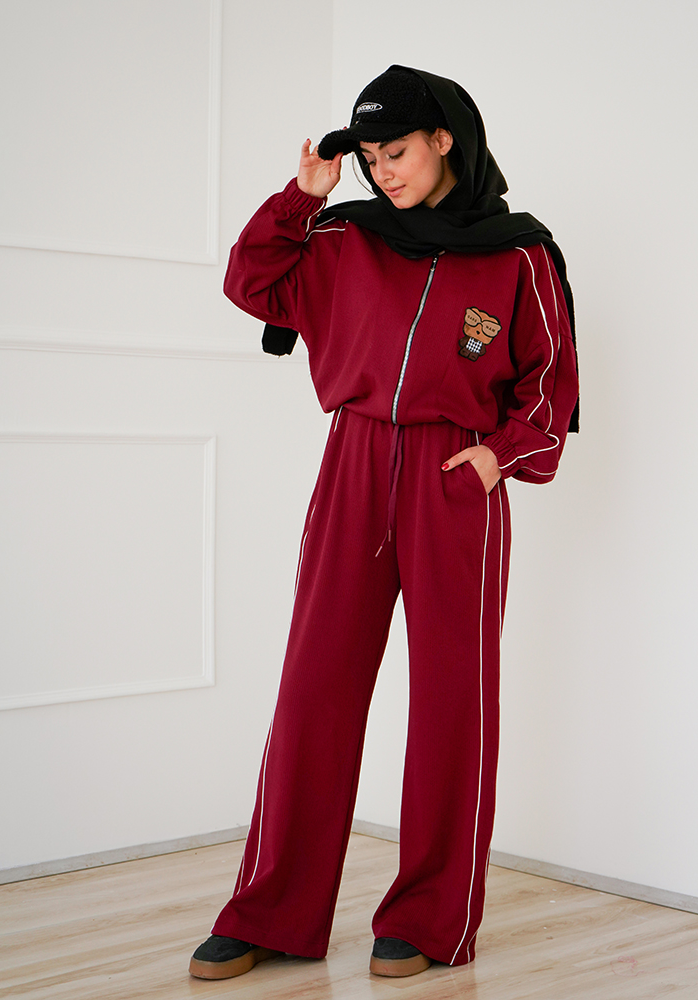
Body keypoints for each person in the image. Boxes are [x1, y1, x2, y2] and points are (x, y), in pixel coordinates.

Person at [189, 65, 579, 982]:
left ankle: (432, 919)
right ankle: (272, 911)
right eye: (368, 156)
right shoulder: (343, 235)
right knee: (313, 686)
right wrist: (303, 196)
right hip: (354, 465)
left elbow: (550, 384)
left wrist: (497, 457)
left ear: (445, 139)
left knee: (452, 699)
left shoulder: (519, 254)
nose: (381, 171)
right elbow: (251, 281)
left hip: (456, 478)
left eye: (395, 151)